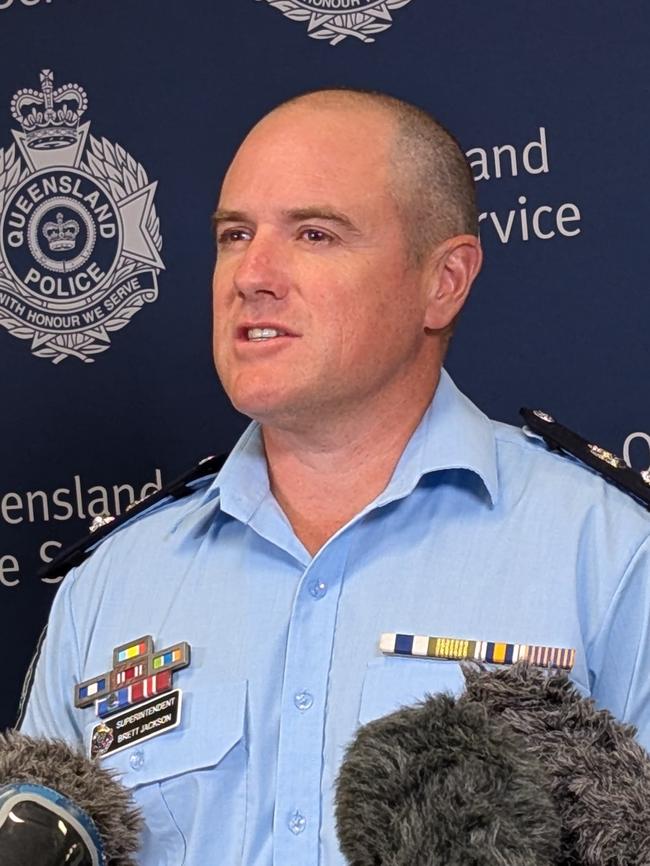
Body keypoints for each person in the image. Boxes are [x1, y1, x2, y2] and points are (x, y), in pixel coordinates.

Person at [19, 89, 650, 866]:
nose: (252, 274)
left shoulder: (613, 552)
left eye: (314, 233)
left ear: (443, 281)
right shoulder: (114, 581)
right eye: (234, 234)